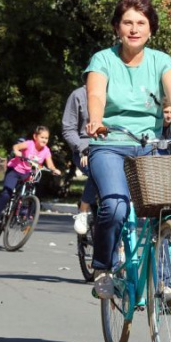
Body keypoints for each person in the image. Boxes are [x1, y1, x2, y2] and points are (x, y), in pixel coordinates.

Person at [84, 0, 171, 299]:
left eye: (141, 23)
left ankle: (168, 285)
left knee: (166, 212)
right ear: (117, 27)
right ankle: (103, 266)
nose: (134, 28)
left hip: (149, 147)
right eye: (127, 22)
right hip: (110, 144)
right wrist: (95, 119)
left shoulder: (160, 61)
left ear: (150, 29)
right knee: (115, 206)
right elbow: (96, 95)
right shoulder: (103, 59)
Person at [0, 126, 61, 233]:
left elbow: (50, 164)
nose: (44, 140)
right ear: (35, 137)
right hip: (15, 170)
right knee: (6, 193)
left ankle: (25, 216)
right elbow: (16, 146)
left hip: (28, 173)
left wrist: (54, 169)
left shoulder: (46, 151)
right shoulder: (29, 144)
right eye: (42, 137)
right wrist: (17, 152)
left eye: (46, 138)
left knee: (30, 192)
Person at [61, 85, 97, 236]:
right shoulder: (78, 95)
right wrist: (82, 148)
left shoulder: (117, 92)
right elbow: (68, 130)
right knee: (98, 171)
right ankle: (83, 208)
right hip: (85, 149)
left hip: (113, 147)